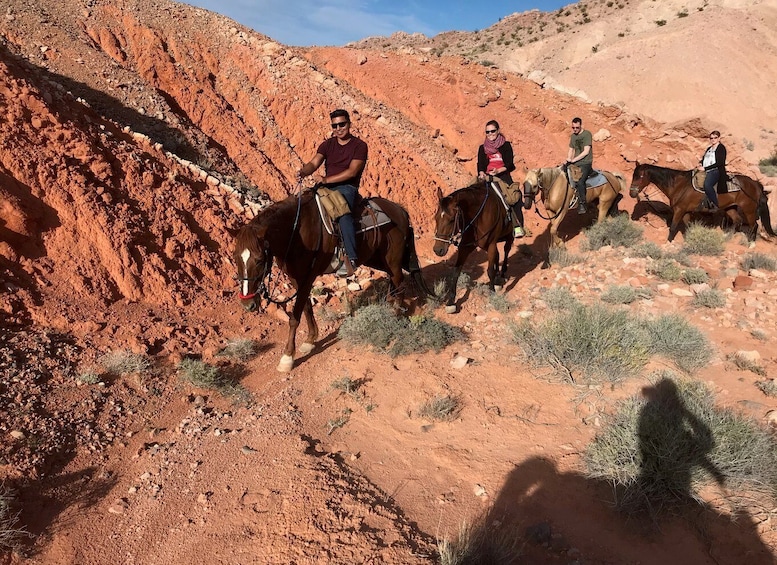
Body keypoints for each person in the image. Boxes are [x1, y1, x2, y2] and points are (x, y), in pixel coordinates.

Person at [297, 109, 367, 276]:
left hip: (346, 188)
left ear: (349, 124)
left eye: (342, 124)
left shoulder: (359, 146)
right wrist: (304, 171)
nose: (338, 128)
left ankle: (351, 257)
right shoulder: (327, 145)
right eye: (335, 125)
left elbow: (352, 171)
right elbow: (314, 163)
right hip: (326, 188)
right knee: (304, 204)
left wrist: (327, 180)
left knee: (343, 214)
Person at [477, 120, 525, 237]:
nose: (490, 134)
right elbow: (480, 164)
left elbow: (509, 163)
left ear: (498, 131)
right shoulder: (482, 148)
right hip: (487, 177)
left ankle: (517, 226)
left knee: (514, 197)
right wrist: (482, 173)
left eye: (492, 131)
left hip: (502, 176)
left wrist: (498, 171)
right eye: (487, 132)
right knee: (470, 192)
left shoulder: (505, 145)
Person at [566, 117, 593, 215]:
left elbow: (586, 152)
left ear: (581, 125)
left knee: (580, 181)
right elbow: (571, 149)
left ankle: (582, 204)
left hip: (586, 163)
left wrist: (574, 160)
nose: (575, 129)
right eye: (573, 127)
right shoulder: (573, 136)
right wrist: (568, 159)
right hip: (575, 162)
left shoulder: (587, 134)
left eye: (577, 127)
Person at [697, 130, 726, 210]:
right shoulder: (709, 148)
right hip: (706, 170)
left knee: (707, 185)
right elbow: (704, 159)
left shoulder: (721, 148)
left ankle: (715, 204)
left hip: (715, 171)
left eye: (715, 138)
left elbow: (720, 163)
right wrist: (700, 163)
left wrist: (705, 168)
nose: (713, 139)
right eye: (711, 138)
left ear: (719, 138)